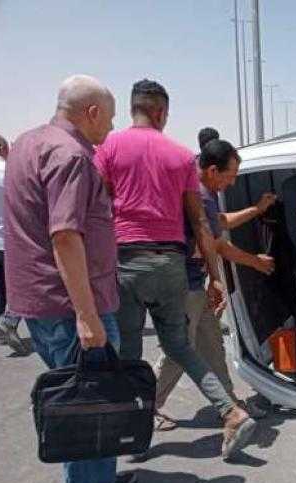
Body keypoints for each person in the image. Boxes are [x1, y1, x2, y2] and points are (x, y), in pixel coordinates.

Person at [93, 79, 255, 459]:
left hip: (126, 261)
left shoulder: (108, 148)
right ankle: (230, 412)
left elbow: (97, 210)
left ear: (134, 108)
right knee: (181, 345)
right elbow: (200, 224)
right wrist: (215, 276)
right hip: (171, 265)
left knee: (130, 354)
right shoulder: (181, 155)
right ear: (162, 112)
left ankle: (132, 438)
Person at [3, 75, 131, 483]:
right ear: (91, 112)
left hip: (41, 301)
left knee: (83, 401)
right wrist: (87, 315)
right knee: (88, 408)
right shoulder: (72, 154)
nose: (111, 128)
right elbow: (64, 236)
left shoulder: (25, 143)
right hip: (71, 306)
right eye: (110, 119)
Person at [153, 136, 276, 430]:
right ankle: (145, 407)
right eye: (230, 176)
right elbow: (220, 245)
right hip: (184, 285)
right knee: (177, 352)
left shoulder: (203, 193)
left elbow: (219, 220)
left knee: (211, 343)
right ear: (211, 170)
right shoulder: (201, 194)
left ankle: (229, 404)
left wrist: (257, 210)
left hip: (194, 283)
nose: (232, 184)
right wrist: (255, 262)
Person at [0, 132, 27, 354]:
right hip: (8, 239)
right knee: (21, 285)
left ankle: (3, 326)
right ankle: (8, 322)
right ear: (2, 148)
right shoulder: (8, 171)